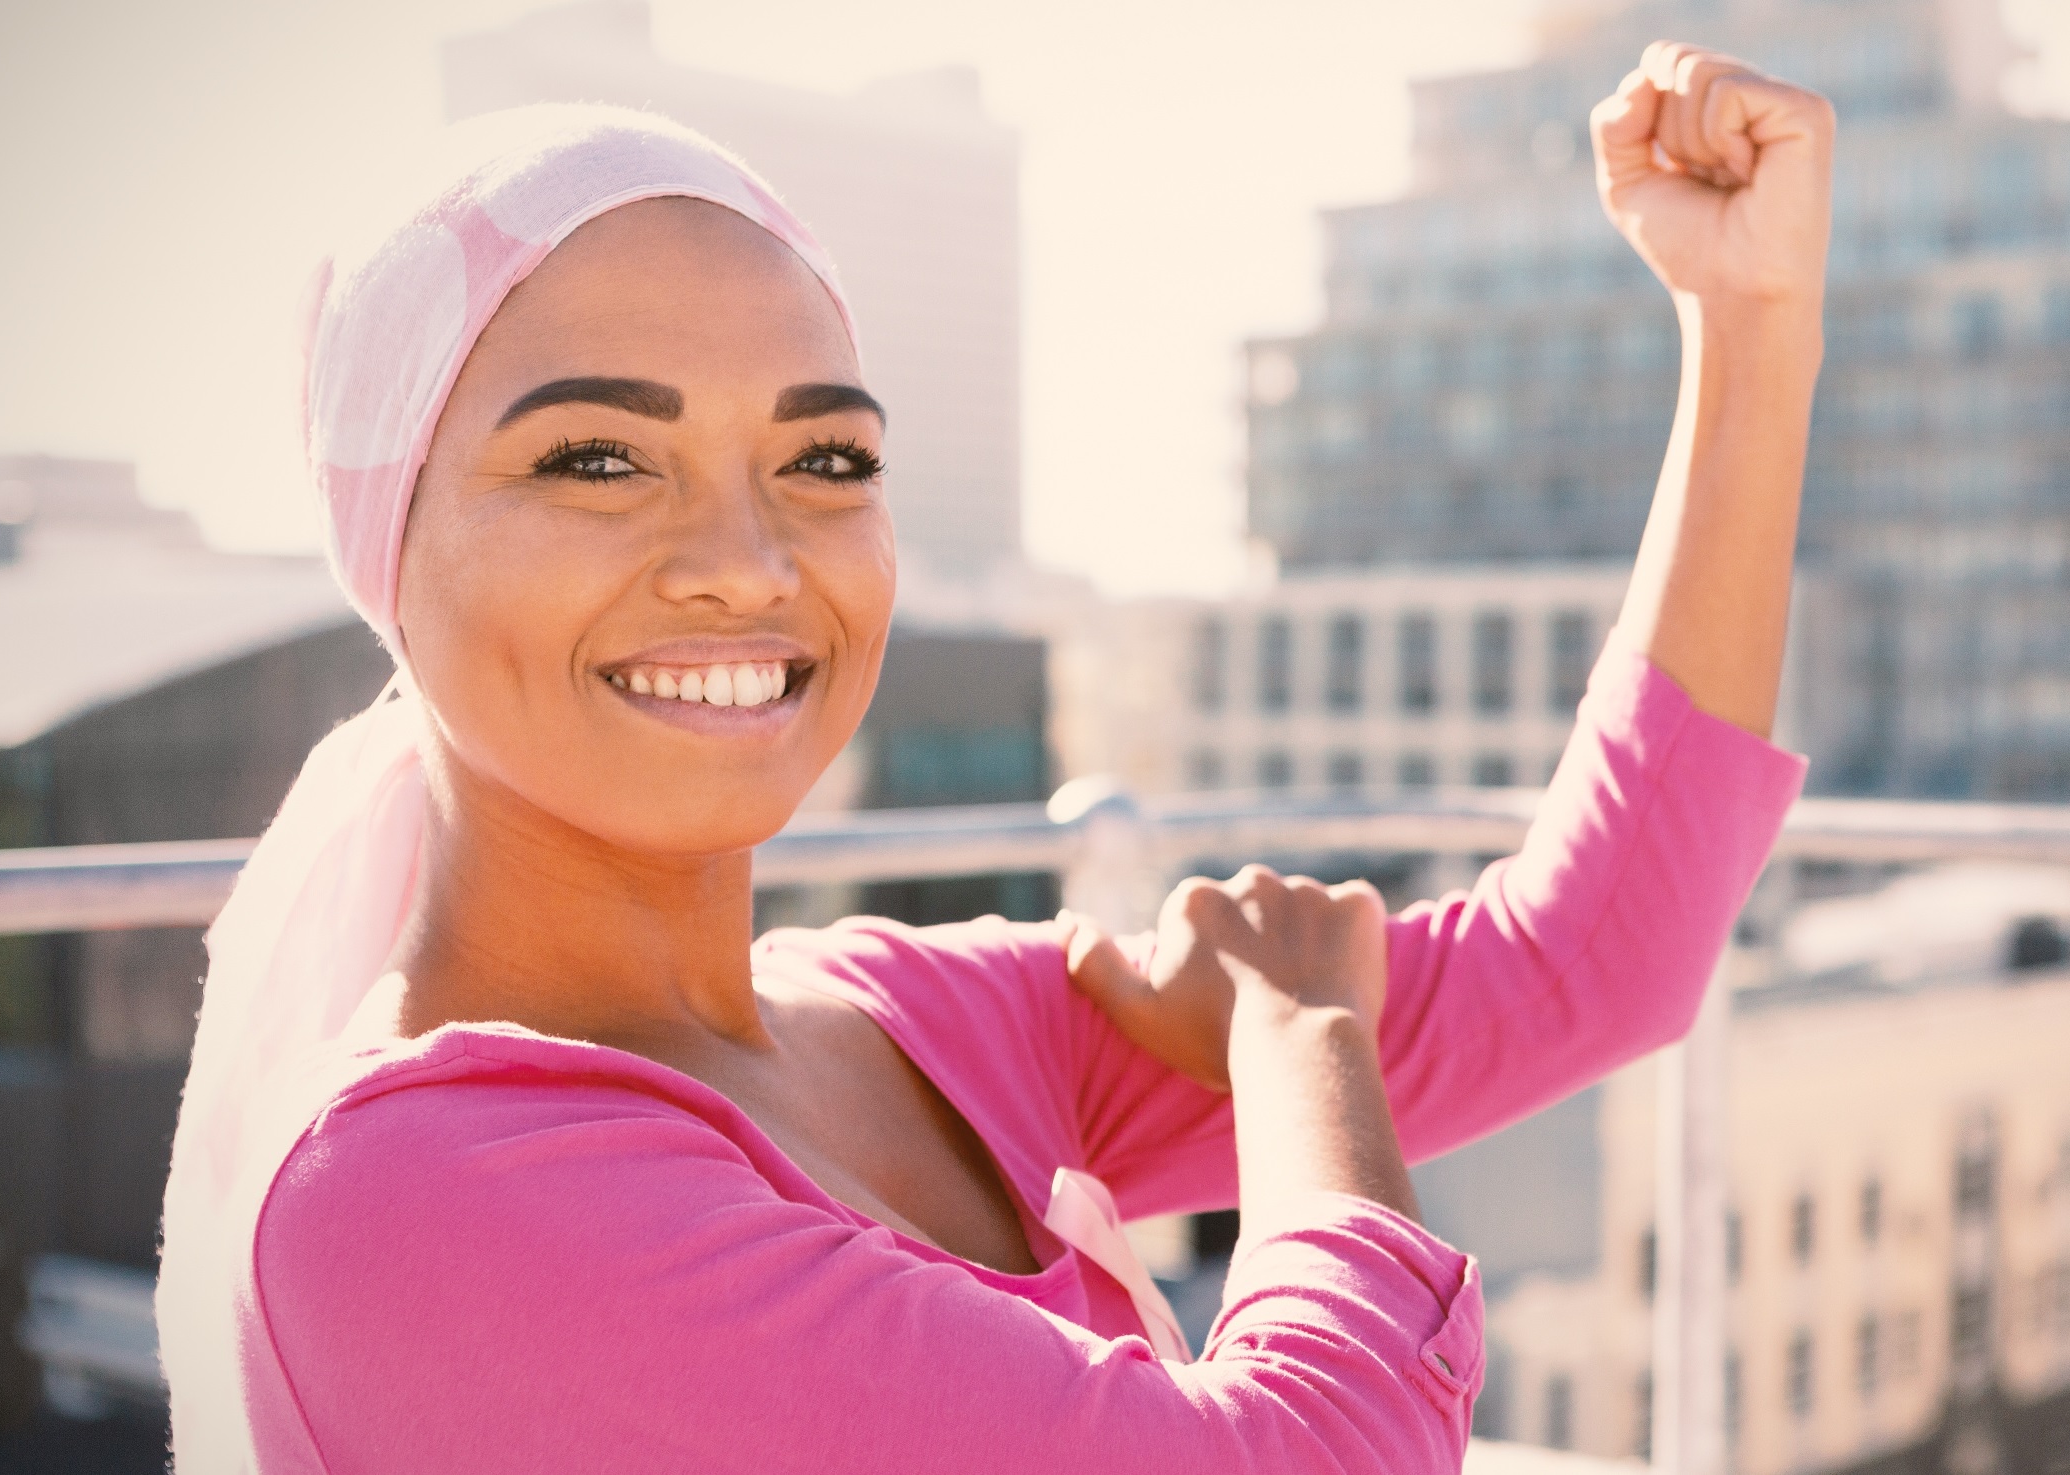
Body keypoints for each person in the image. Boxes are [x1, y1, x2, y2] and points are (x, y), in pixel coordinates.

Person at [156, 42, 1828, 1474]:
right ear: (386, 539)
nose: (746, 560)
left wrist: (1748, 324)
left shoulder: (912, 1023)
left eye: (824, 457)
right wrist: (1302, 1035)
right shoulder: (420, 1197)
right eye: (598, 457)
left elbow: (1587, 963)